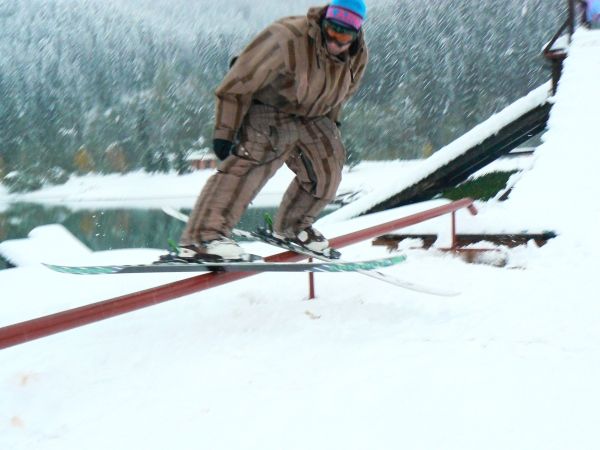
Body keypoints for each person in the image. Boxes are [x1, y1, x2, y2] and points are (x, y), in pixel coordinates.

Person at [176, 1, 369, 261]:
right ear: (324, 23)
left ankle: (294, 227)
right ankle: (204, 237)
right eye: (331, 30)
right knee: (258, 156)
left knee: (329, 165)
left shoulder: (357, 57)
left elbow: (339, 95)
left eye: (343, 35)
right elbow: (238, 81)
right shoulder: (287, 38)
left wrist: (331, 130)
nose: (334, 40)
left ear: (355, 35)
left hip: (313, 114)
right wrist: (225, 131)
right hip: (269, 103)